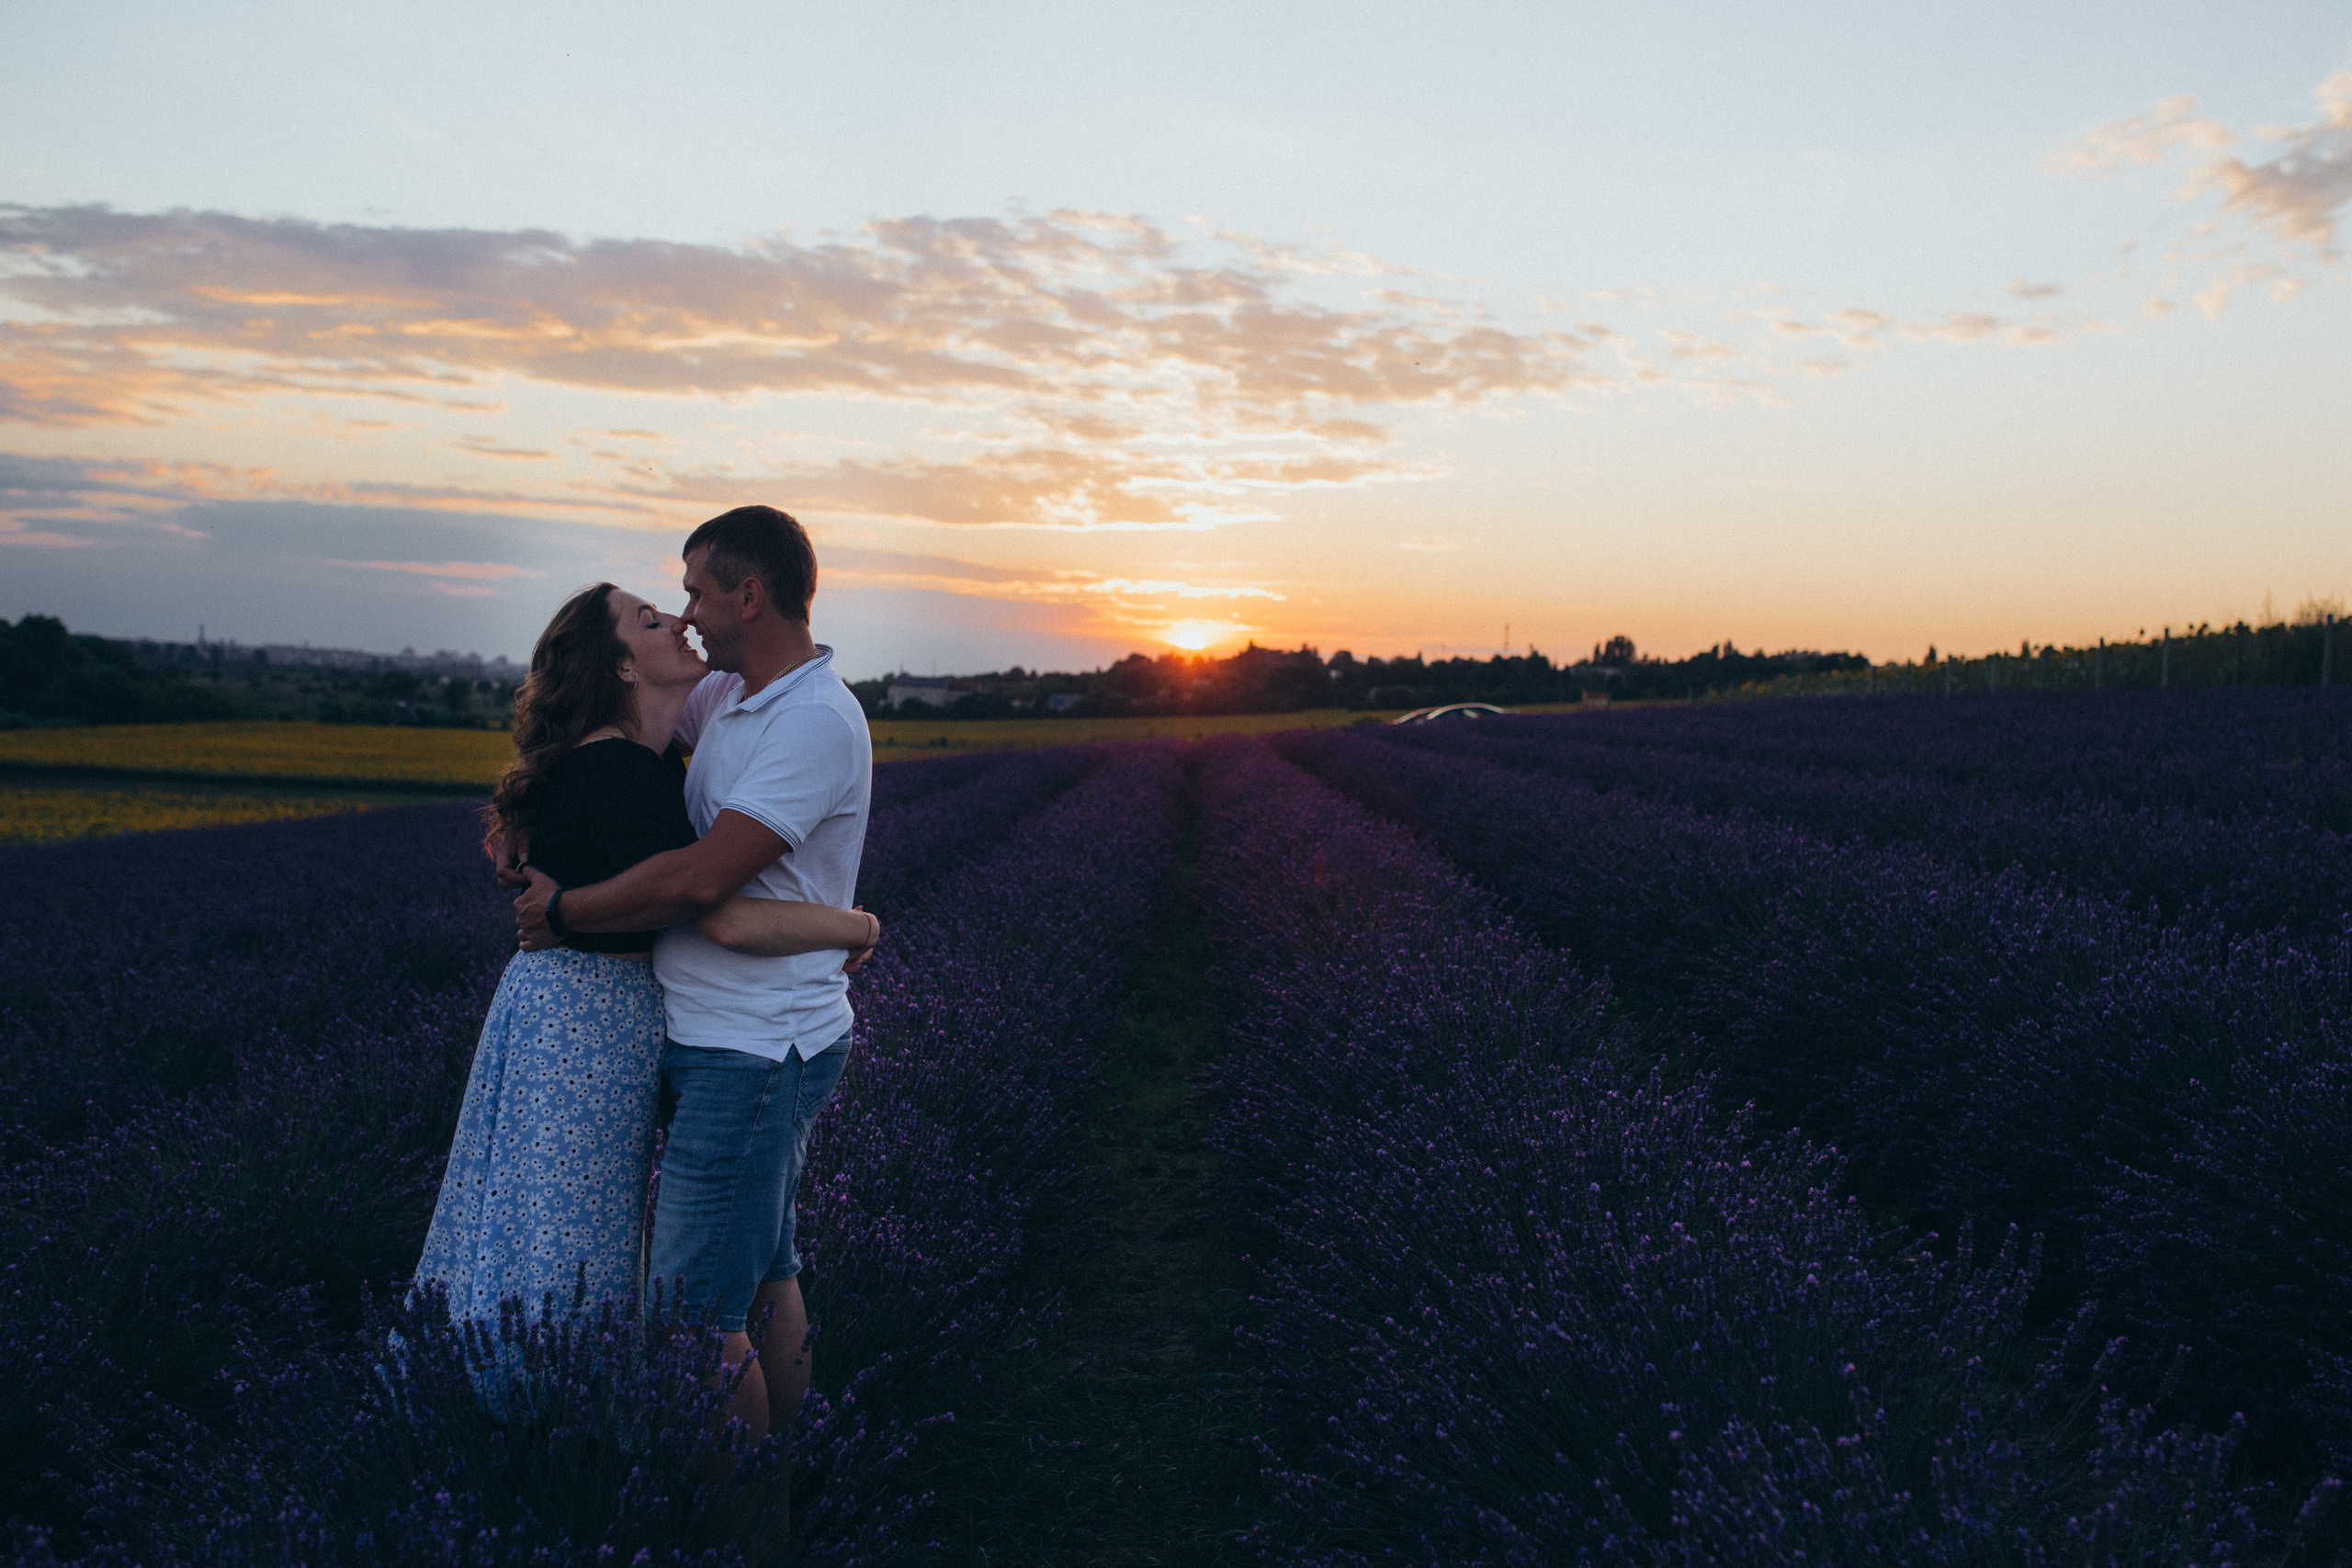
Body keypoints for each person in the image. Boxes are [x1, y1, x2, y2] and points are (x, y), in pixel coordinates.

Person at [414, 581, 877, 1348]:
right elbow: (715, 907)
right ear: (624, 667)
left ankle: (551, 1400)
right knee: (575, 1242)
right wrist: (855, 924)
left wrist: (523, 831)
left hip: (603, 1018)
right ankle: (550, 1403)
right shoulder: (626, 771)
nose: (683, 617)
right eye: (656, 618)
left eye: (690, 595)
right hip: (585, 1025)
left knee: (572, 1237)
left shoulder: (661, 747)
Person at [512, 505, 872, 1461]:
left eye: (696, 592)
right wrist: (524, 808)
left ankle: (745, 1529)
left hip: (754, 1048)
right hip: (718, 1032)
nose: (687, 613)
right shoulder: (732, 697)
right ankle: (791, 1481)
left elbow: (705, 882)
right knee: (767, 1273)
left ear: (748, 595)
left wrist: (561, 911)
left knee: (689, 1317)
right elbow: (622, 733)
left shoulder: (813, 720)